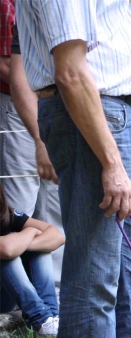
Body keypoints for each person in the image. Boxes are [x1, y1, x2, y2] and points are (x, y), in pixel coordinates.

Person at [16, 0, 131, 338]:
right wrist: (110, 160)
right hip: (95, 116)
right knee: (95, 277)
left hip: (121, 113)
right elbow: (70, 72)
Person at [0, 0, 63, 286]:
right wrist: (38, 86)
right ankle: (16, 293)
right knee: (19, 199)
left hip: (61, 105)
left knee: (54, 201)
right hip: (20, 105)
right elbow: (5, 66)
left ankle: (54, 290)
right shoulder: (7, 6)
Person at [0, 184, 63, 338]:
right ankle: (41, 319)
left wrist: (25, 243)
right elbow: (6, 249)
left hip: (6, 294)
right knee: (9, 253)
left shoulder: (8, 214)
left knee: (39, 247)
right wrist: (30, 231)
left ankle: (51, 319)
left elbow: (58, 236)